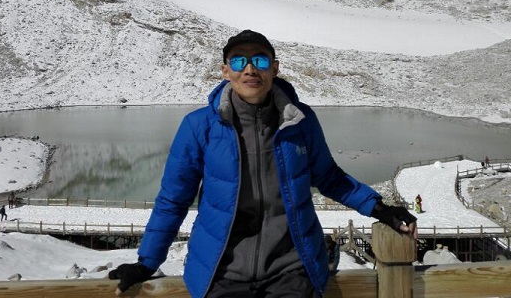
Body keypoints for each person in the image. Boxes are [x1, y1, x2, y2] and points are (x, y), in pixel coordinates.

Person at [108, 30, 417, 298]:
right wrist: (147, 262)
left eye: (260, 60)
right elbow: (173, 200)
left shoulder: (300, 121)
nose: (250, 69)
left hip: (291, 269)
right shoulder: (199, 126)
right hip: (222, 272)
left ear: (275, 68)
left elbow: (329, 177)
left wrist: (379, 208)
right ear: (225, 71)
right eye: (239, 61)